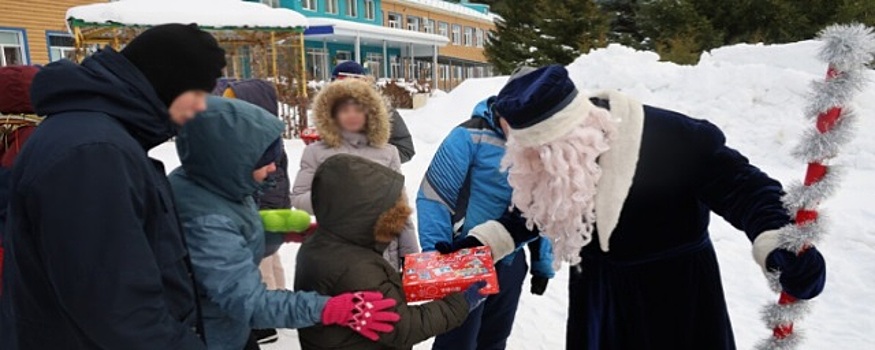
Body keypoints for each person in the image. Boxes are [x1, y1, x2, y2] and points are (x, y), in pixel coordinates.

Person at [437, 65, 827, 349]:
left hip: (674, 301)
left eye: (543, 153)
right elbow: (532, 212)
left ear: (567, 137)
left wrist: (780, 242)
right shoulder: (556, 160)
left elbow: (746, 189)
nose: (538, 163)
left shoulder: (671, 137)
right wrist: (478, 246)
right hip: (596, 302)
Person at [0, 24, 226, 349]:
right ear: (167, 81)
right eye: (199, 92)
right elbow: (120, 311)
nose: (203, 106)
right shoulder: (93, 153)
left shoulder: (100, 136)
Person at [169, 97, 401, 350]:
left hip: (226, 328)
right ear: (230, 160)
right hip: (211, 338)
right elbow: (250, 303)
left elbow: (234, 240)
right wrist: (329, 309)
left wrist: (278, 234)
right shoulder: (206, 222)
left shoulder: (217, 181)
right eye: (263, 161)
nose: (272, 168)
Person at [416, 67, 556, 350]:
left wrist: (543, 263)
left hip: (510, 261)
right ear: (504, 104)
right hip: (463, 256)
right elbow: (433, 197)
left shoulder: (541, 149)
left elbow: (542, 210)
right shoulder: (469, 136)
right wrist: (438, 259)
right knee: (456, 340)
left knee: (494, 339)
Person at [294, 153, 487, 350]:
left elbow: (372, 291)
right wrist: (459, 303)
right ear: (363, 214)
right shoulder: (356, 267)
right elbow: (404, 327)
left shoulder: (324, 245)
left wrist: (416, 279)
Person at [291, 78, 419, 270]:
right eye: (344, 110)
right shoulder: (316, 152)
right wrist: (333, 198)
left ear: (370, 112)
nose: (352, 115)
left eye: (358, 109)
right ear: (332, 113)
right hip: (337, 252)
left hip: (383, 253)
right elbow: (299, 198)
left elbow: (399, 207)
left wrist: (410, 254)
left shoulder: (387, 152)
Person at [221, 79, 291, 345]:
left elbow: (273, 181)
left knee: (261, 264)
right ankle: (279, 302)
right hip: (269, 208)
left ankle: (265, 322)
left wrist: (261, 210)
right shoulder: (258, 135)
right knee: (271, 260)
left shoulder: (260, 141)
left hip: (264, 209)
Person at [331, 61, 416, 163]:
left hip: (373, 172)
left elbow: (405, 149)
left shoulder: (382, 111)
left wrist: (372, 160)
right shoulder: (325, 112)